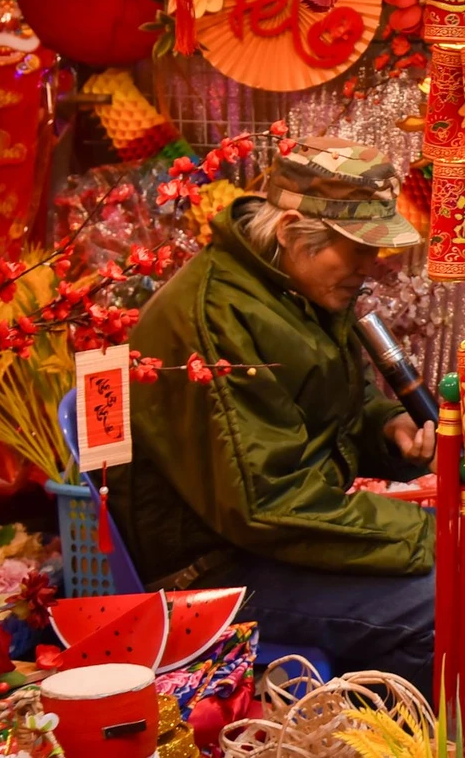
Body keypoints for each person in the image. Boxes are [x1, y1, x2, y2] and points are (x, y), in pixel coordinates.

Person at [111, 139, 445, 690]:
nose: (370, 266)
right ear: (291, 231)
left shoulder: (290, 285)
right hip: (211, 567)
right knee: (441, 595)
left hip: (272, 534)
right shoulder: (215, 318)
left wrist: (387, 426)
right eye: (354, 248)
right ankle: (385, 739)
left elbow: (338, 400)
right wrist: (433, 536)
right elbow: (264, 503)